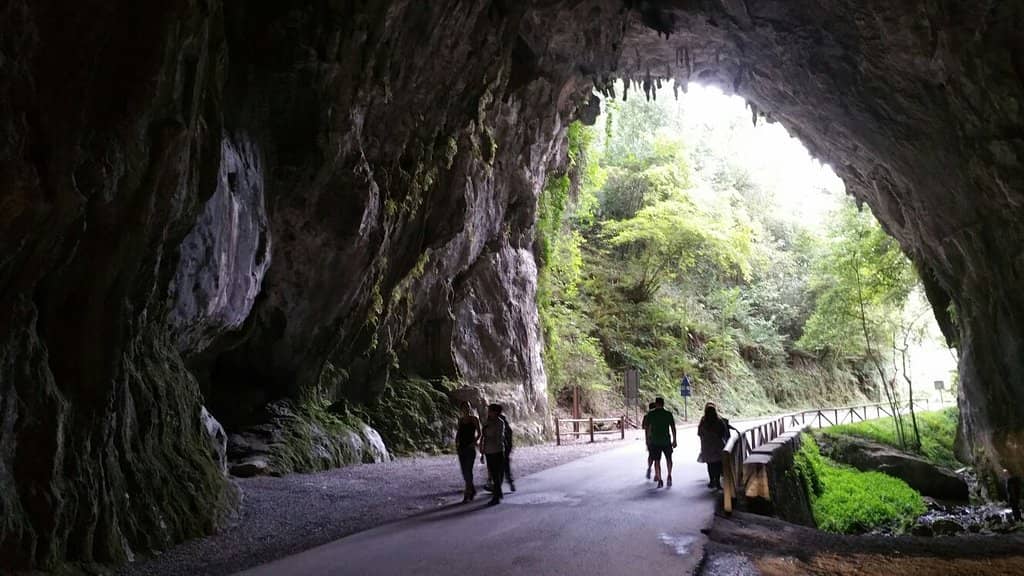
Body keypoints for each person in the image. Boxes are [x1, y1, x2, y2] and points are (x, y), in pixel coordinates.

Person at [698, 402, 730, 490]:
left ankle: (712, 481)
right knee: (718, 464)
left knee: (710, 465)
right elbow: (723, 433)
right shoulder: (719, 421)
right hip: (717, 446)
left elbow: (699, 433)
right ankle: (718, 482)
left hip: (707, 446)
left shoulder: (703, 421)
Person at [646, 397, 677, 488]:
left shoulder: (651, 414)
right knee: (669, 459)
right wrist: (674, 439)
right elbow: (673, 427)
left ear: (656, 404)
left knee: (657, 460)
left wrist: (648, 440)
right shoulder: (668, 414)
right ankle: (669, 475)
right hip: (666, 440)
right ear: (663, 404)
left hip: (655, 441)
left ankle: (660, 479)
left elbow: (649, 428)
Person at [479, 403, 507, 505]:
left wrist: (490, 436)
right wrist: (482, 449)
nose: (489, 412)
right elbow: (484, 435)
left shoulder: (500, 423)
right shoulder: (488, 422)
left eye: (490, 411)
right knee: (493, 473)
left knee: (496, 474)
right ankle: (498, 493)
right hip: (488, 450)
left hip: (497, 450)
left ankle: (496, 496)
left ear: (495, 412)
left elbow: (499, 437)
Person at [455, 401, 481, 503]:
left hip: (470, 448)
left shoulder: (474, 419)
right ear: (461, 409)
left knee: (468, 470)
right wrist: (456, 442)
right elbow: (459, 432)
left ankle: (467, 493)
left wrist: (474, 442)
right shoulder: (460, 420)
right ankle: (472, 489)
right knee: (464, 471)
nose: (466, 409)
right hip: (461, 448)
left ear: (470, 408)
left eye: (468, 407)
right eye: (464, 407)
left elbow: (479, 433)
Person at [496, 404, 515, 492]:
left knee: (499, 468)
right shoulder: (505, 423)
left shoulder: (500, 422)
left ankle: (497, 487)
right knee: (505, 468)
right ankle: (510, 483)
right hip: (504, 449)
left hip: (500, 449)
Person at [641, 401, 657, 479]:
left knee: (651, 455)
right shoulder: (657, 416)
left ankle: (650, 468)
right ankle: (657, 473)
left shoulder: (646, 416)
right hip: (657, 438)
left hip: (648, 439)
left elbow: (643, 427)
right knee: (657, 456)